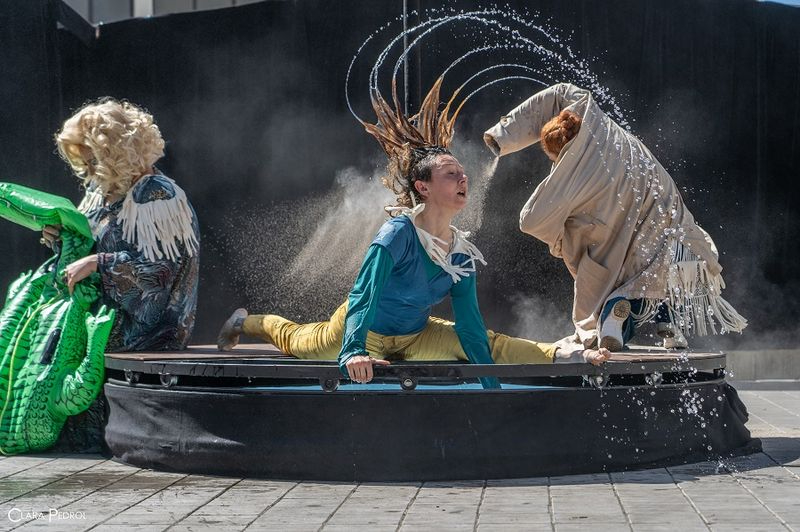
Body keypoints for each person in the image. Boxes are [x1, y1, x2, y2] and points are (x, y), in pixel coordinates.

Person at [218, 79, 610, 388]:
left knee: (491, 343)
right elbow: (363, 296)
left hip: (416, 335)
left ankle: (567, 355)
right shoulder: (396, 234)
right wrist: (353, 351)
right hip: (361, 332)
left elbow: (472, 328)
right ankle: (245, 322)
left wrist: (492, 388)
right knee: (294, 340)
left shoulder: (460, 253)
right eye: (451, 174)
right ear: (423, 187)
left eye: (463, 172)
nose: (463, 179)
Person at [483, 83, 747, 351]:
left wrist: (564, 239)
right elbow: (558, 91)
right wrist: (502, 135)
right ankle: (671, 326)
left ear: (561, 153)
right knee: (667, 261)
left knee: (622, 276)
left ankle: (613, 318)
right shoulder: (588, 112)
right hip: (662, 201)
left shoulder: (569, 175)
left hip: (629, 222)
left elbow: (531, 220)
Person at [46, 98, 200, 352]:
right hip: (94, 333)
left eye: (94, 159)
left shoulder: (156, 195)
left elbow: (158, 277)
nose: (89, 168)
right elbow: (89, 245)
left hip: (145, 345)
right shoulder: (100, 191)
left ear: (115, 152)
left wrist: (99, 263)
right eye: (85, 161)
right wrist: (61, 238)